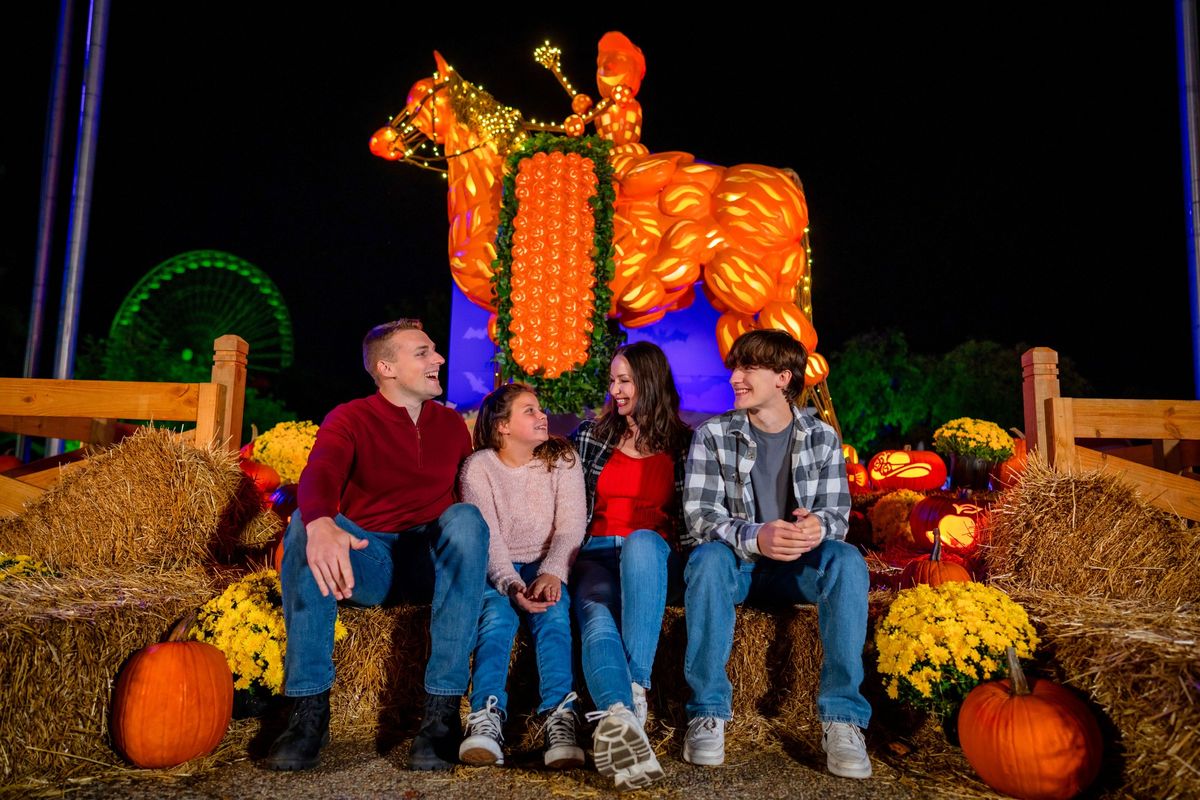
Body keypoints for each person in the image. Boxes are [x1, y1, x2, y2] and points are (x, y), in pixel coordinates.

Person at [265, 319, 489, 772]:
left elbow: (477, 497)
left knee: (467, 518)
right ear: (386, 367)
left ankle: (442, 715)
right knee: (307, 525)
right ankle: (308, 712)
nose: (438, 359)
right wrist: (322, 520)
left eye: (435, 351)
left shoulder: (450, 425)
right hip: (368, 561)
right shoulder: (350, 417)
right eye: (423, 353)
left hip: (429, 561)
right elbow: (321, 472)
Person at [681, 329, 872, 779]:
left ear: (783, 378)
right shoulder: (713, 434)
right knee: (706, 559)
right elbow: (699, 518)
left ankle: (842, 719)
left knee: (846, 561)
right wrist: (756, 536)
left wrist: (813, 527)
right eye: (736, 367)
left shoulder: (821, 438)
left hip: (797, 570)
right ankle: (707, 712)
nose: (735, 377)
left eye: (749, 368)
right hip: (739, 566)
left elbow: (836, 517)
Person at [569, 341, 693, 791]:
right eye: (612, 381)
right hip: (597, 552)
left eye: (625, 380)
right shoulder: (590, 436)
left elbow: (690, 517)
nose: (615, 390)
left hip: (654, 556)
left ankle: (635, 684)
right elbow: (564, 504)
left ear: (650, 381)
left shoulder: (684, 444)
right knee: (596, 617)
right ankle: (622, 717)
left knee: (642, 541)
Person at [457, 383, 586, 769]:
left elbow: (571, 526)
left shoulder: (561, 458)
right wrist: (510, 584)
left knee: (554, 616)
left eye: (540, 408)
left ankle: (559, 717)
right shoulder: (479, 468)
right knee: (495, 620)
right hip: (499, 565)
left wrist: (552, 574)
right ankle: (486, 717)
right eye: (529, 410)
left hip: (546, 561)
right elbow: (488, 536)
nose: (542, 415)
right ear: (502, 426)